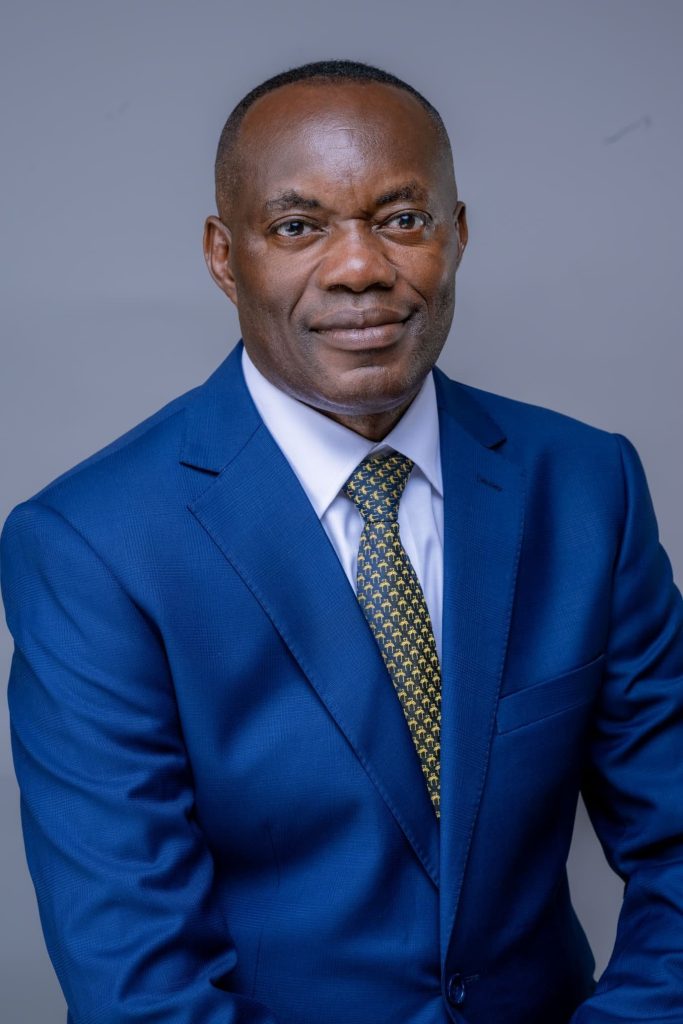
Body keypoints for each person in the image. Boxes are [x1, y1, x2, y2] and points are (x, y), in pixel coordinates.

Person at [2, 58, 683, 1024]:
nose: (360, 267)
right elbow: (141, 990)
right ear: (223, 255)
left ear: (456, 233)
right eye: (298, 227)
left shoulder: (585, 488)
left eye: (402, 219)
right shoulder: (91, 547)